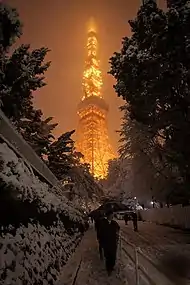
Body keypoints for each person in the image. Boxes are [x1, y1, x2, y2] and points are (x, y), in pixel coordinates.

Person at [100, 210, 120, 276]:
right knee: (108, 257)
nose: (112, 216)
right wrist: (102, 243)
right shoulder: (103, 223)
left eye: (112, 215)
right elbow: (101, 233)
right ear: (107, 216)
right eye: (111, 215)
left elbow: (118, 228)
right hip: (106, 243)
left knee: (113, 256)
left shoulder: (114, 223)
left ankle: (112, 266)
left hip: (113, 242)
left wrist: (117, 233)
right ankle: (109, 269)